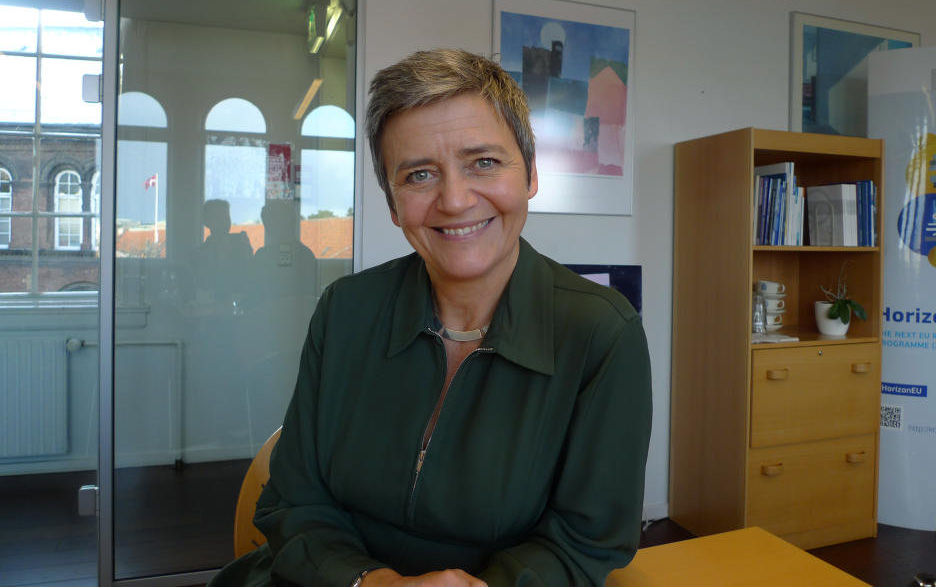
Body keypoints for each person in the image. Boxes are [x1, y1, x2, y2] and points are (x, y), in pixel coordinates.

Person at [209, 49, 652, 587]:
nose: (455, 199)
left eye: (483, 162)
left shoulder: (602, 333)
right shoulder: (345, 310)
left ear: (531, 174)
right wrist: (375, 584)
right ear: (394, 205)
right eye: (419, 175)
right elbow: (290, 503)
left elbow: (586, 538)